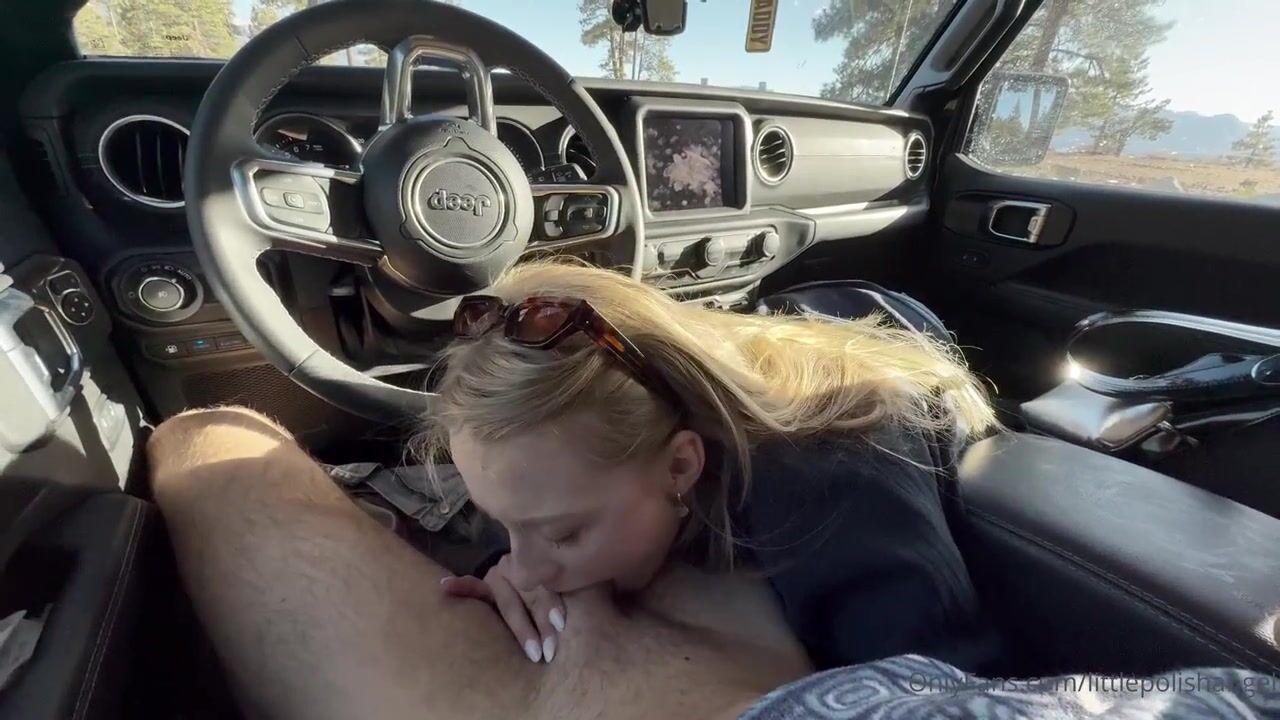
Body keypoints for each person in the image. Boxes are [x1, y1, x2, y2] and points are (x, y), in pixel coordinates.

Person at [149, 260, 1001, 719]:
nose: (531, 568)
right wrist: (503, 563)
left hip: (881, 320)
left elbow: (951, 686)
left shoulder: (838, 487)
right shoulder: (599, 466)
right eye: (506, 524)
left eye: (561, 533)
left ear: (682, 468)